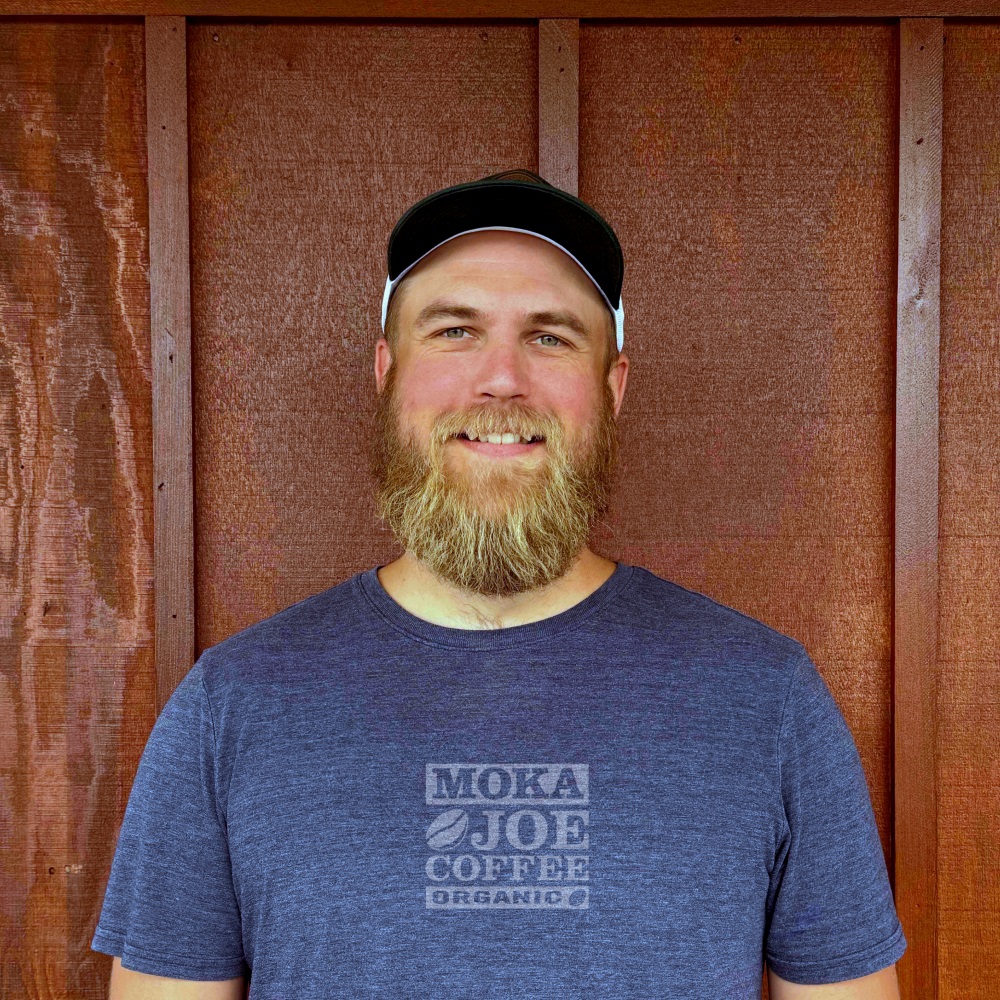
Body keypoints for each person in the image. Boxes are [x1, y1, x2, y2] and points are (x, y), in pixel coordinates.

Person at [92, 170, 906, 999]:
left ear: (613, 388)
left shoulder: (765, 700)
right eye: (455, 331)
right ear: (386, 372)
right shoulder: (233, 707)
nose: (503, 378)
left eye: (550, 337)